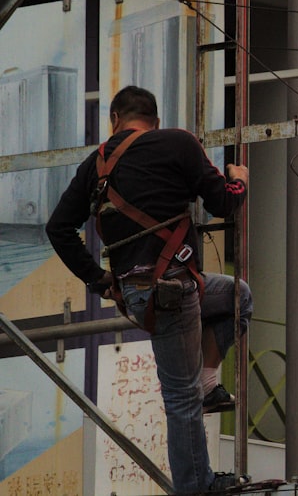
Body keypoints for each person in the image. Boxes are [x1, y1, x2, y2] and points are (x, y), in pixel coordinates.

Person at [46, 86, 253, 493]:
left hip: (136, 294)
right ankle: (196, 486)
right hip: (173, 289)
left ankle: (209, 383)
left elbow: (58, 229)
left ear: (115, 120)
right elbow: (224, 204)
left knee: (236, 295)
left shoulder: (96, 165)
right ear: (154, 121)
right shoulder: (178, 142)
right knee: (181, 398)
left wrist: (99, 280)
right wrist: (240, 181)